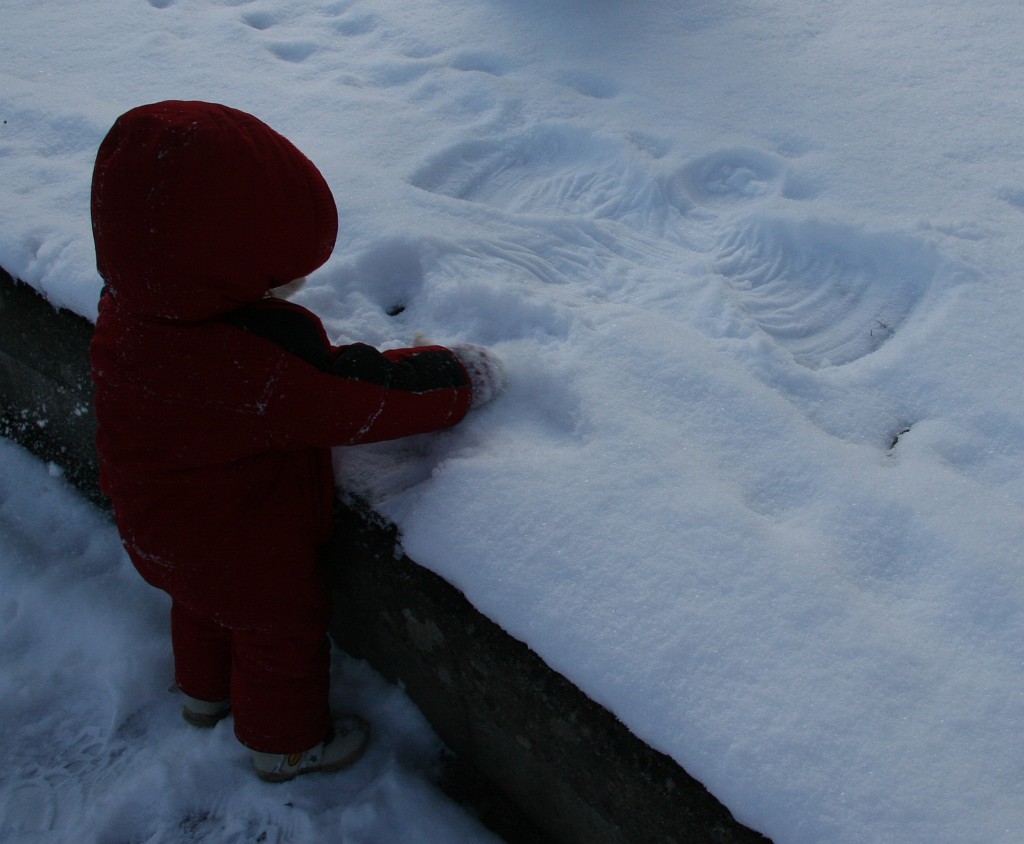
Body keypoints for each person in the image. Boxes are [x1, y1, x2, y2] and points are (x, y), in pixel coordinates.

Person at [89, 100, 504, 782]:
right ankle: (284, 746)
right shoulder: (254, 361)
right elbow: (359, 397)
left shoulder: (126, 310)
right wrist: (461, 375)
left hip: (149, 528)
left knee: (196, 604)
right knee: (278, 634)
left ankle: (202, 696)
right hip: (242, 551)